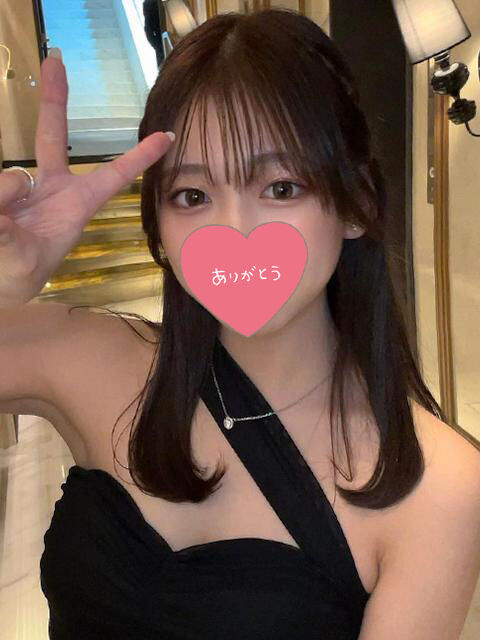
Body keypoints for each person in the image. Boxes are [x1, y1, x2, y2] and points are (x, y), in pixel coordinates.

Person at [1, 9, 479, 640]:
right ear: (160, 227)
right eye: (192, 196)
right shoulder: (89, 358)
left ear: (356, 205)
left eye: (280, 187)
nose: (235, 232)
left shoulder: (438, 486)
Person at [143, 0, 167, 68]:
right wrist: (157, 45)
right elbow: (148, 30)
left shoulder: (148, 3)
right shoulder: (148, 4)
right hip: (161, 44)